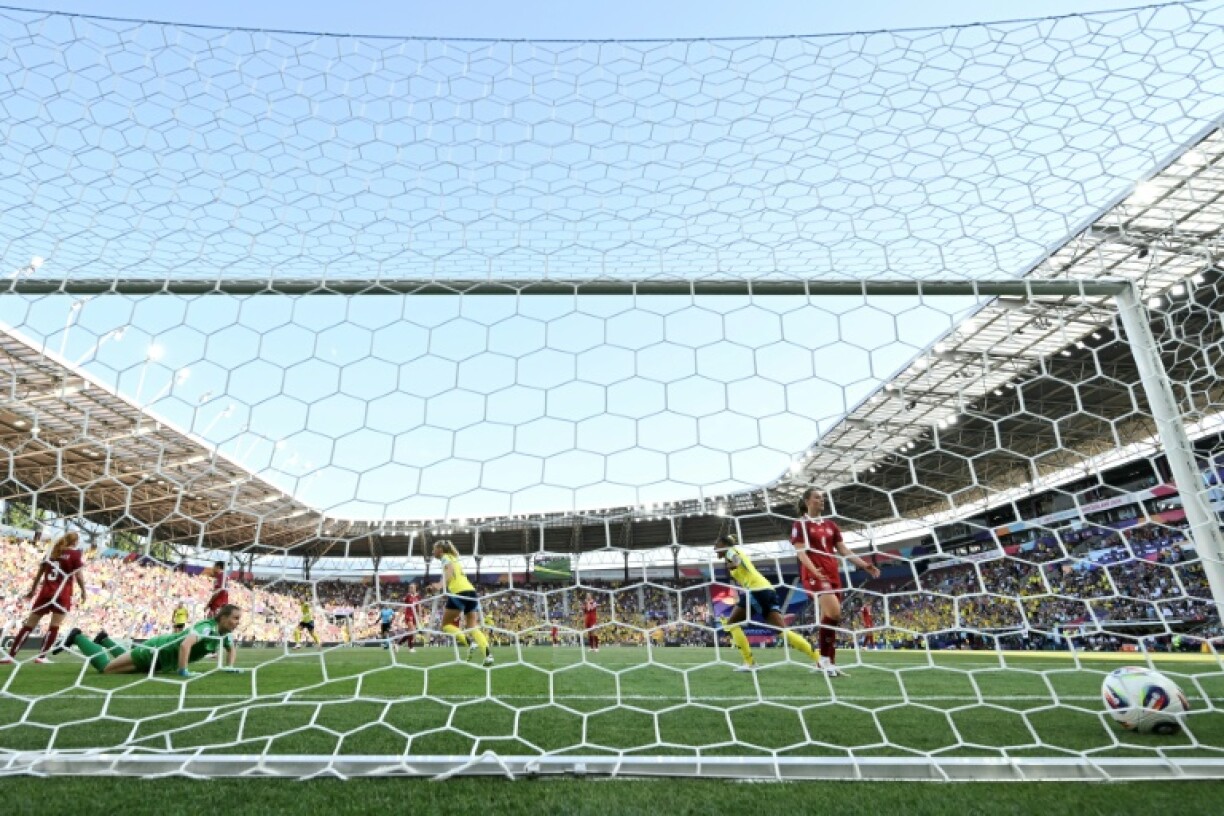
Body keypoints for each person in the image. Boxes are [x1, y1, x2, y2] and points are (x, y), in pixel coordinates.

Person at [791, 488, 880, 677]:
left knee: (831, 618)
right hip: (815, 574)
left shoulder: (831, 525)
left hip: (833, 574)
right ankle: (825, 661)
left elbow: (844, 550)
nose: (821, 500)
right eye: (817, 497)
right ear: (807, 501)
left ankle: (825, 662)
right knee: (834, 613)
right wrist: (813, 569)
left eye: (822, 498)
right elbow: (800, 552)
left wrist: (865, 565)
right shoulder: (800, 524)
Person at [715, 534, 819, 672]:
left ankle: (749, 662)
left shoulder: (730, 551)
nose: (714, 549)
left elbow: (736, 560)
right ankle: (818, 658)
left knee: (732, 624)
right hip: (767, 589)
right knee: (781, 631)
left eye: (716, 546)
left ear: (723, 544)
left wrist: (732, 564)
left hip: (757, 591)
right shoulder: (733, 552)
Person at [60, 604, 242, 676]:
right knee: (107, 669)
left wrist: (229, 666)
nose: (237, 622)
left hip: (161, 663)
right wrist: (183, 671)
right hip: (156, 651)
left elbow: (231, 648)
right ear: (223, 617)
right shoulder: (207, 627)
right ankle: (78, 636)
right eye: (235, 618)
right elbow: (186, 645)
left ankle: (105, 640)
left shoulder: (224, 633)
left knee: (126, 664)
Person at [2, 532, 85, 665]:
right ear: (74, 542)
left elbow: (39, 573)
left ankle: (10, 656)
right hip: (62, 594)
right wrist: (83, 591)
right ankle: (41, 656)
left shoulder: (52, 553)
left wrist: (33, 590)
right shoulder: (75, 555)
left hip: (45, 593)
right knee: (54, 626)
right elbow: (79, 576)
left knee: (28, 625)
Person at [428, 541, 492, 666]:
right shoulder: (454, 558)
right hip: (471, 591)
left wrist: (439, 585)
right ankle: (488, 655)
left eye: (433, 549)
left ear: (440, 549)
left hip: (459, 592)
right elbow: (451, 570)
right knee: (472, 626)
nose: (432, 552)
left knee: (446, 625)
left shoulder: (445, 557)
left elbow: (449, 571)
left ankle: (469, 643)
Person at [398, 584, 420, 652]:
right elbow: (403, 606)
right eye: (410, 588)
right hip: (408, 615)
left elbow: (419, 606)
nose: (411, 589)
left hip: (414, 616)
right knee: (412, 631)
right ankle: (411, 648)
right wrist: (398, 616)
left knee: (410, 632)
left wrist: (419, 616)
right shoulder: (408, 596)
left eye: (412, 587)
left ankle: (398, 644)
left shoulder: (418, 596)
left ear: (415, 588)